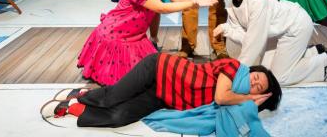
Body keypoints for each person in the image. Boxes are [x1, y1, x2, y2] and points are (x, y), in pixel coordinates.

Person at [77, 0, 217, 86]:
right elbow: (162, 8)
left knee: (151, 76)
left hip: (136, 36)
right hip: (117, 34)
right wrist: (195, 3)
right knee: (128, 83)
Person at [41, 52, 281, 132]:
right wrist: (250, 98)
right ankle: (81, 94)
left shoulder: (237, 102)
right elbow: (220, 97)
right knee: (111, 97)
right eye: (257, 78)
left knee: (118, 117)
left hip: (162, 97)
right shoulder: (235, 67)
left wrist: (250, 104)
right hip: (158, 69)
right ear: (253, 69)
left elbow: (236, 115)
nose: (253, 83)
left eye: (258, 88)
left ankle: (73, 108)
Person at [214, 0, 327, 86]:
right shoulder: (232, 7)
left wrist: (237, 74)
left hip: (296, 26)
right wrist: (226, 29)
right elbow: (244, 37)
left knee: (278, 78)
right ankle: (311, 52)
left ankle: (324, 64)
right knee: (264, 64)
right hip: (281, 32)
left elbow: (253, 42)